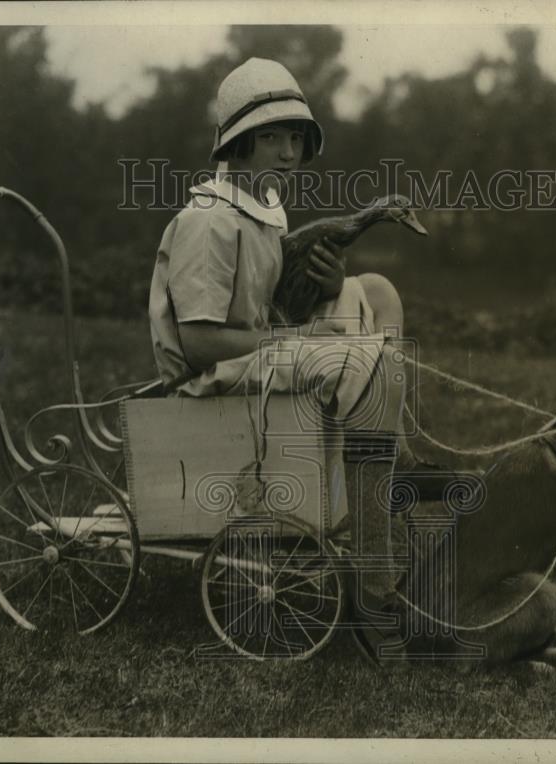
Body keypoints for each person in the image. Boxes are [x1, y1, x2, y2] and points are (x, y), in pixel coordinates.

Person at [147, 57, 456, 660]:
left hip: (256, 357)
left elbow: (272, 304)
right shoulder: (208, 221)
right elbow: (201, 344)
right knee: (358, 361)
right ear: (236, 142)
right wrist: (306, 345)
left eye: (295, 138)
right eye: (271, 137)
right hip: (213, 376)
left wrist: (328, 282)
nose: (287, 152)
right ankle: (374, 591)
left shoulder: (262, 212)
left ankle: (379, 453)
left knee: (377, 292)